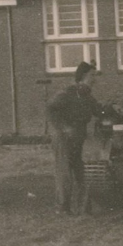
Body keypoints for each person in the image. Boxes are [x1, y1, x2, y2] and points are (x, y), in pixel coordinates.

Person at [46, 61, 102, 215]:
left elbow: (98, 110)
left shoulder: (87, 95)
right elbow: (51, 109)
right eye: (92, 75)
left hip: (78, 138)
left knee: (81, 173)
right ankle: (62, 208)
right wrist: (64, 128)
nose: (94, 79)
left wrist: (112, 108)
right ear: (83, 76)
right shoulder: (68, 92)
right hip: (64, 138)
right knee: (64, 173)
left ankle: (84, 208)